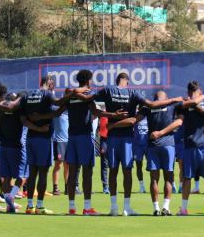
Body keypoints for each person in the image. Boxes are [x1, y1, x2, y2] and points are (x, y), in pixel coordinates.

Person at [72, 72, 184, 216]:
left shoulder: (107, 90)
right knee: (127, 171)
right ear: (127, 81)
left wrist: (111, 120)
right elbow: (151, 104)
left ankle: (113, 208)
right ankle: (126, 208)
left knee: (113, 171)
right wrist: (174, 99)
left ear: (117, 80)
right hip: (127, 139)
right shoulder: (133, 93)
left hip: (112, 138)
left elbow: (88, 99)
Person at [109, 91, 200, 215]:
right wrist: (202, 96)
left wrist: (113, 125)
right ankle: (165, 207)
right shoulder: (173, 105)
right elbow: (182, 118)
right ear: (166, 98)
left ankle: (156, 209)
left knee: (154, 179)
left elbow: (132, 121)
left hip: (152, 146)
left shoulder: (148, 108)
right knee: (169, 178)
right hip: (168, 145)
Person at [0, 76, 76, 214]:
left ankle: (29, 206)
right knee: (43, 172)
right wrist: (71, 97)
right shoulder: (47, 95)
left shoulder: (27, 96)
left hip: (30, 139)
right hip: (44, 139)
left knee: (32, 172)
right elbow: (57, 108)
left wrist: (36, 122)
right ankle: (39, 206)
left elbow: (23, 120)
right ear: (51, 85)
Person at [57, 70, 128, 216]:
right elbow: (98, 112)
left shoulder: (70, 96)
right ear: (88, 80)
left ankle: (71, 207)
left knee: (72, 173)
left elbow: (60, 107)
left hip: (72, 137)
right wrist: (114, 115)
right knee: (87, 172)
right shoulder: (88, 96)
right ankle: (87, 207)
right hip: (84, 137)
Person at [176, 81, 204, 216]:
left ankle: (184, 209)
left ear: (188, 91)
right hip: (203, 146)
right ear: (200, 91)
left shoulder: (187, 104)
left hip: (192, 146)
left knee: (188, 178)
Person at [51, 97, 69, 196]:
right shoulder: (55, 111)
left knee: (68, 165)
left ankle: (67, 187)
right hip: (59, 141)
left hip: (69, 141)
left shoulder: (70, 112)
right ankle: (55, 188)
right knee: (58, 164)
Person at [133, 113, 149, 193]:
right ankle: (142, 187)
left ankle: (153, 185)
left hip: (148, 145)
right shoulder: (135, 117)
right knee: (139, 166)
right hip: (137, 146)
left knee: (152, 167)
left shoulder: (149, 116)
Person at [98, 116, 110, 194]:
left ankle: (112, 186)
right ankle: (105, 186)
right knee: (104, 164)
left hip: (114, 138)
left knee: (113, 165)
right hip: (105, 140)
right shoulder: (104, 115)